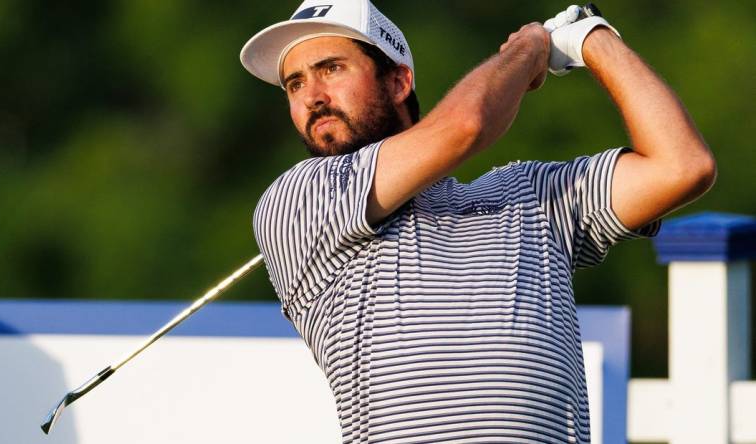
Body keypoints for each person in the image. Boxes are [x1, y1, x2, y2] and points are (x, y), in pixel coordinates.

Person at [240, 1, 716, 442]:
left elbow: (683, 166)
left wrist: (592, 38)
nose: (312, 96)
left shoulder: (530, 197)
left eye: (331, 68)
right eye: (295, 83)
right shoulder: (300, 198)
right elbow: (465, 126)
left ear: (398, 82)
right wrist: (529, 50)